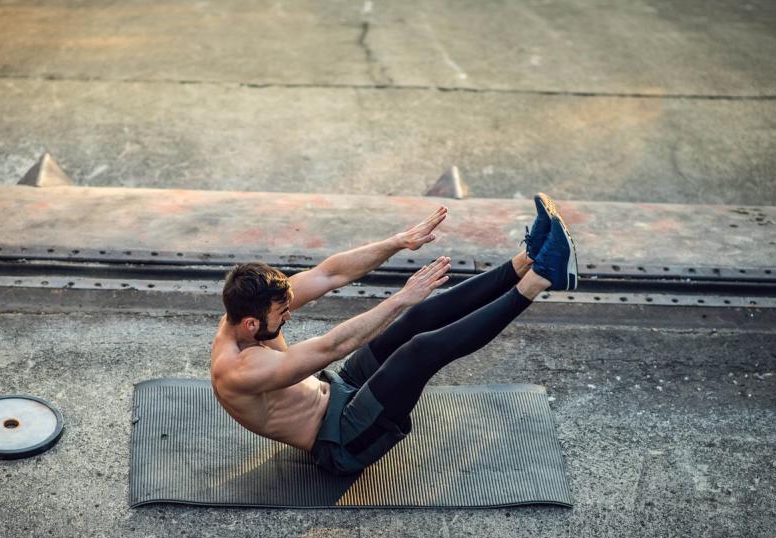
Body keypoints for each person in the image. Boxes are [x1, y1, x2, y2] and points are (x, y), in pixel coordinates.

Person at [210, 193, 578, 475]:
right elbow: (333, 346)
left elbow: (329, 274)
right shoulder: (239, 370)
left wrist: (397, 242)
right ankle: (541, 278)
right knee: (418, 350)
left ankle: (525, 261)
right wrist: (399, 297)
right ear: (252, 326)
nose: (289, 314)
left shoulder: (250, 307)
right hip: (342, 437)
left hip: (338, 388)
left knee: (414, 321)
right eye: (282, 313)